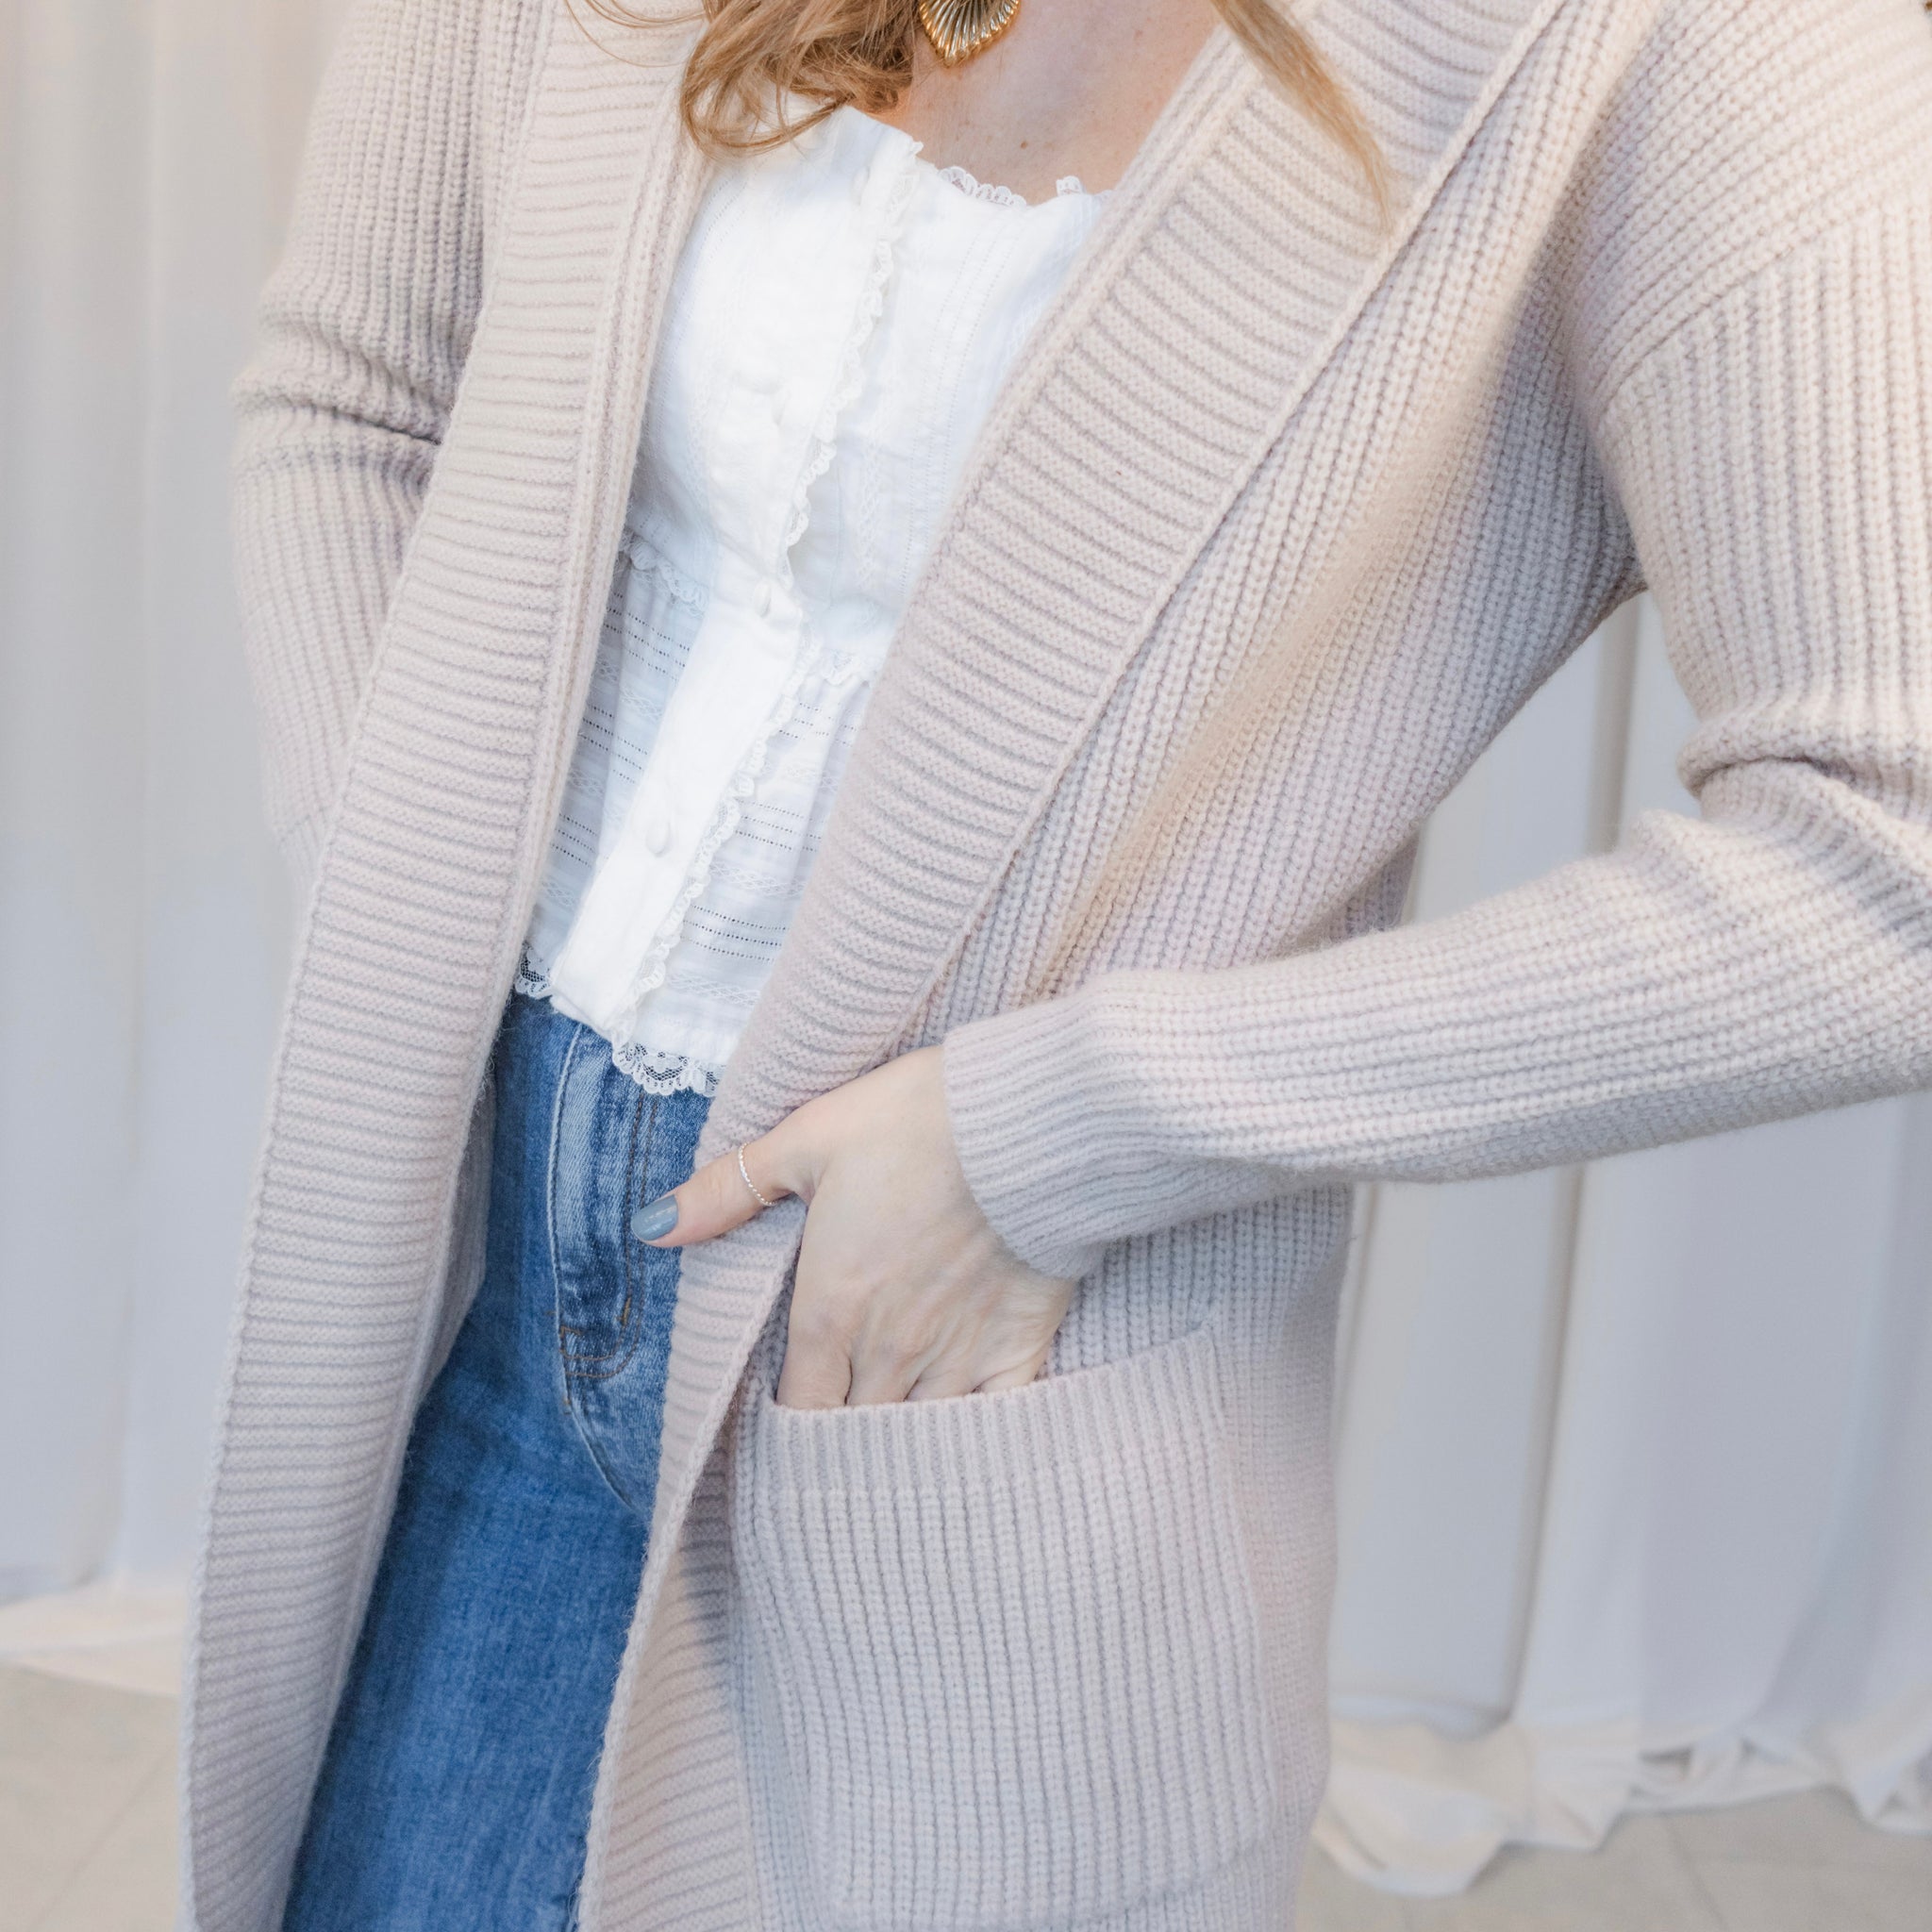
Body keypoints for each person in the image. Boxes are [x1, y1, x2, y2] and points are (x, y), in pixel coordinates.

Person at [185, 0, 1932, 1926]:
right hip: (482, 1261)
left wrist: (1059, 1130)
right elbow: (356, 396)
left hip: (961, 1355)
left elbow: (1890, 858)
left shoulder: (1683, 41)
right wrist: (394, 885)